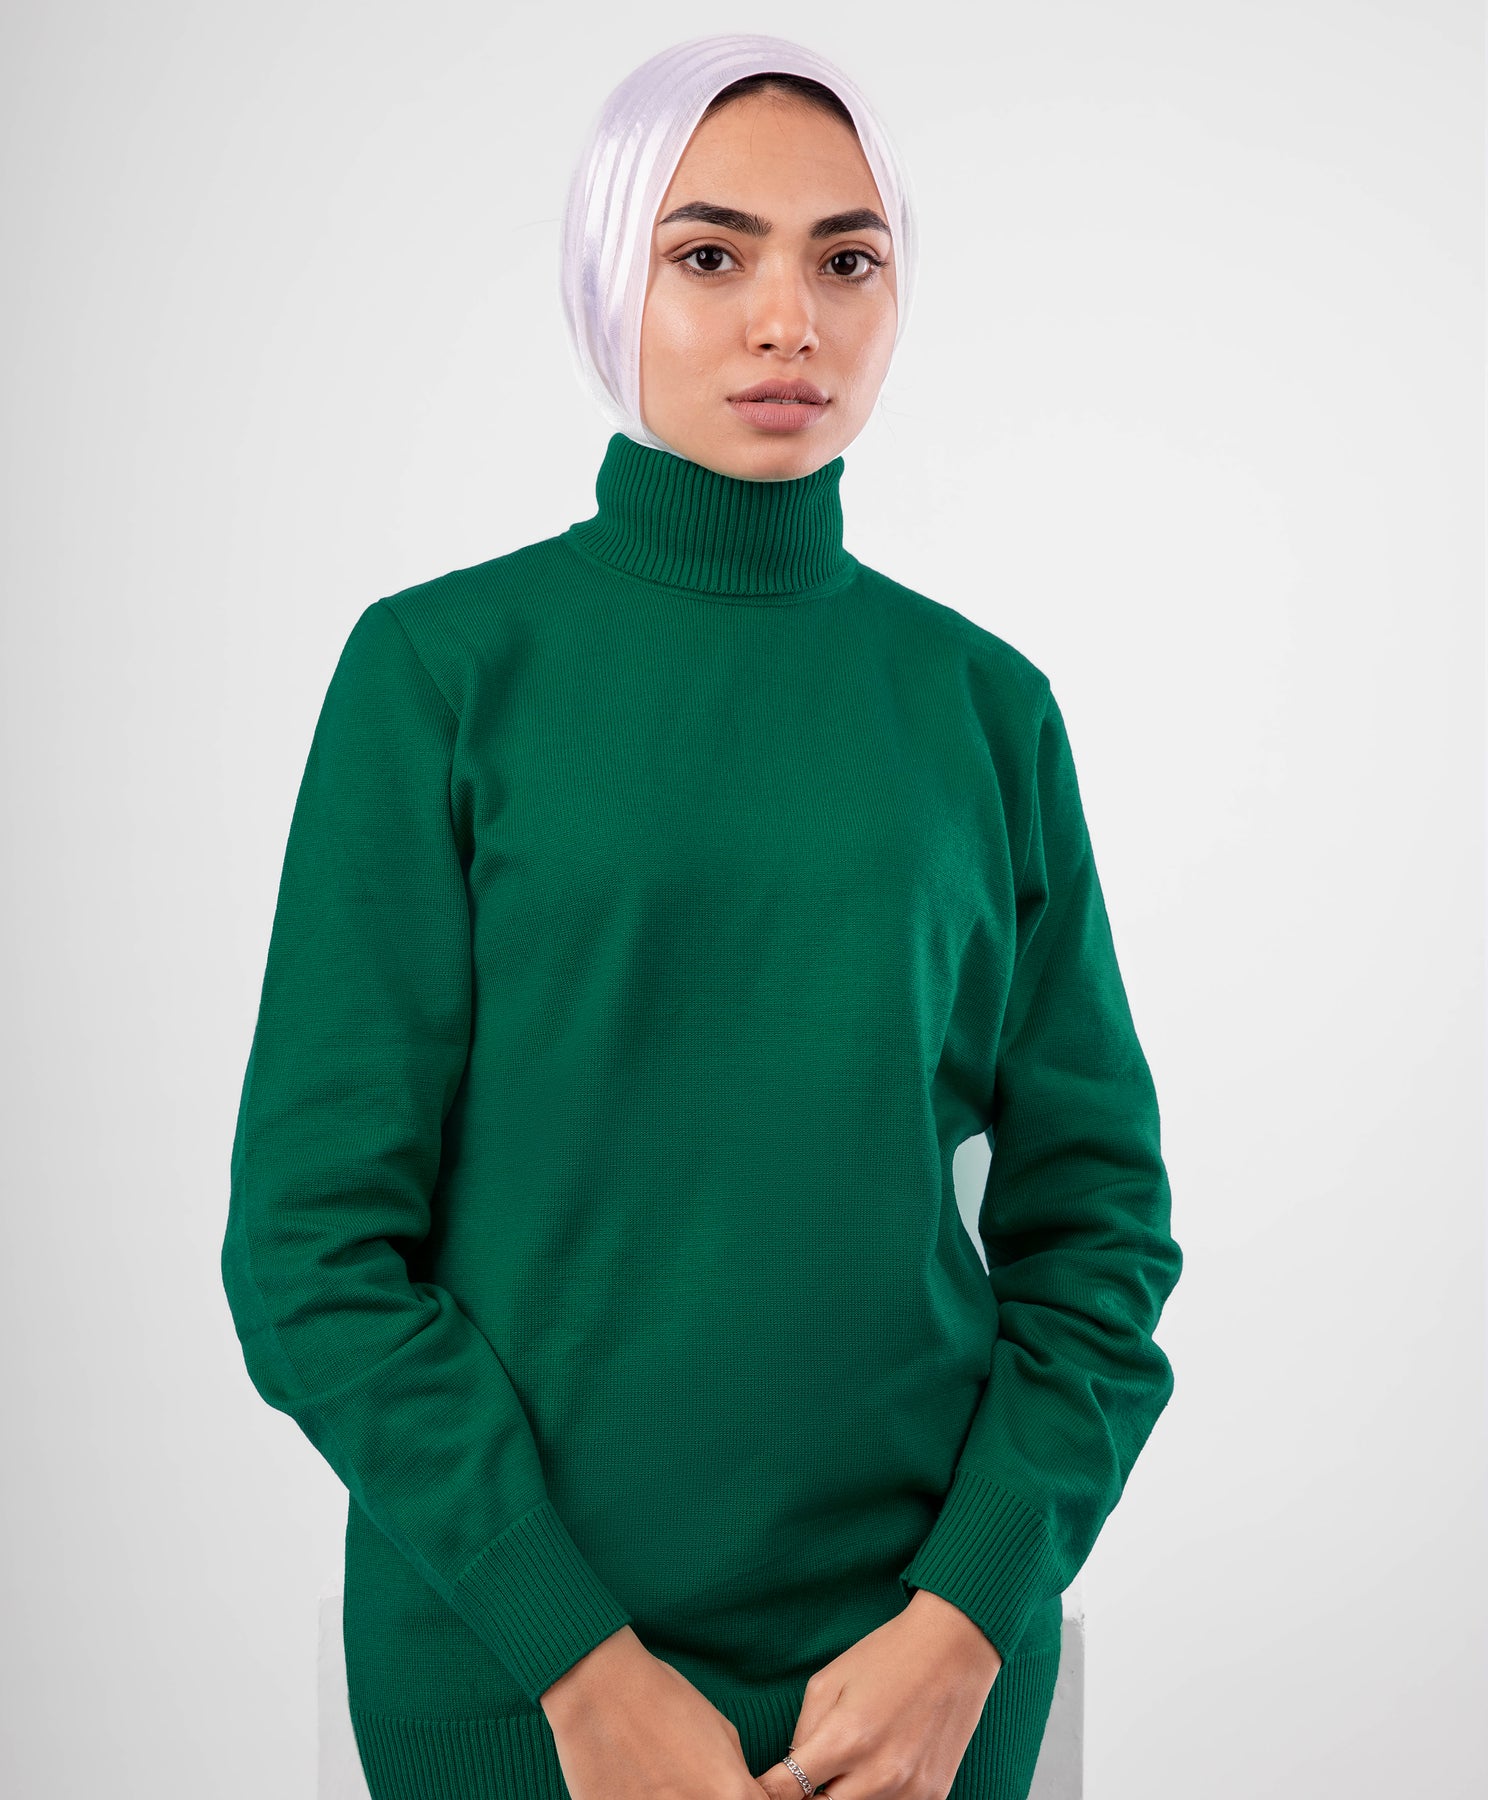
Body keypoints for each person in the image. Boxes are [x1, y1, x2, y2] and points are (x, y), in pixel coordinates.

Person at [221, 32, 1183, 1800]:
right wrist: (582, 1670)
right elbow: (310, 1252)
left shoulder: (986, 710)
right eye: (711, 254)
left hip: (915, 1698)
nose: (787, 322)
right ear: (613, 276)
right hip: (520, 1689)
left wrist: (968, 1622)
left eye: (847, 260)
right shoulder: (440, 675)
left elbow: (1100, 1233)